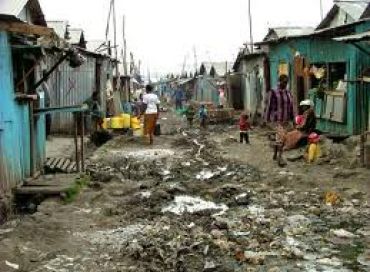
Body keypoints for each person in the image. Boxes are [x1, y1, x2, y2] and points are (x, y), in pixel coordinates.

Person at [265, 75, 294, 165]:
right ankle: (280, 158)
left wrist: (293, 117)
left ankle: (275, 154)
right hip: (276, 119)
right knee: (281, 138)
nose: (285, 84)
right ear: (279, 81)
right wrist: (266, 119)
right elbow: (269, 106)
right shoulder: (273, 92)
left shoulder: (288, 92)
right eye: (284, 82)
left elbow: (291, 106)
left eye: (287, 82)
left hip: (286, 120)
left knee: (281, 139)